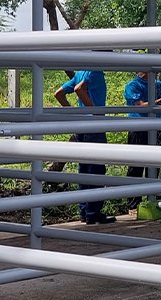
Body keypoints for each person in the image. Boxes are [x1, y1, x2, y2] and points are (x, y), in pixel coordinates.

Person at [54, 69, 116, 225]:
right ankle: (93, 212)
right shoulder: (95, 73)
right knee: (96, 169)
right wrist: (94, 112)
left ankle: (84, 211)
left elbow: (59, 94)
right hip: (94, 128)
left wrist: (75, 114)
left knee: (84, 169)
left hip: (81, 127)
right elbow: (79, 89)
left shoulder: (80, 73)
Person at [123, 71, 161, 210]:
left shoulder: (158, 84)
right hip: (138, 128)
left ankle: (151, 198)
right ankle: (133, 204)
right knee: (136, 165)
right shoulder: (132, 85)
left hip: (156, 128)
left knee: (155, 163)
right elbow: (140, 105)